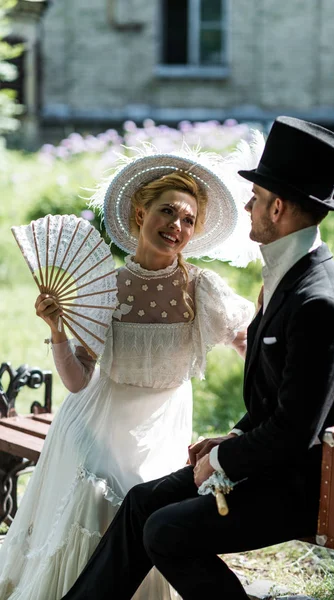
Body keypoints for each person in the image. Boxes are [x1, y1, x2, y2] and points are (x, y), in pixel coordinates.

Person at [59, 116, 334, 600]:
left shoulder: (320, 303)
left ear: (279, 207)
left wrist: (225, 458)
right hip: (274, 462)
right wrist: (234, 437)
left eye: (257, 196)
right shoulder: (291, 275)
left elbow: (295, 433)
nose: (247, 205)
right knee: (144, 502)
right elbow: (282, 402)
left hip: (308, 487)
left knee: (165, 531)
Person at [0, 150, 256, 600]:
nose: (177, 225)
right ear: (140, 214)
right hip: (100, 421)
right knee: (104, 496)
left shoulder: (200, 289)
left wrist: (273, 393)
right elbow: (79, 381)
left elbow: (246, 344)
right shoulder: (108, 288)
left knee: (150, 503)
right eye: (167, 211)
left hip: (163, 425)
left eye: (188, 219)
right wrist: (57, 331)